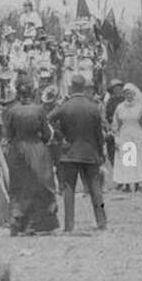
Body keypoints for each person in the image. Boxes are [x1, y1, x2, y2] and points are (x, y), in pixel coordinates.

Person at [47, 74, 108, 232]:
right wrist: (100, 153)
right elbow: (98, 134)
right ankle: (101, 222)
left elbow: (48, 120)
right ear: (83, 87)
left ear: (71, 87)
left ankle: (69, 225)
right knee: (96, 189)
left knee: (68, 190)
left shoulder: (65, 106)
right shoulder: (92, 106)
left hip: (69, 153)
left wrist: (60, 135)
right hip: (90, 152)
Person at [2, 79, 60, 235]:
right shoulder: (39, 110)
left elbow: (8, 134)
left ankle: (17, 222)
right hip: (36, 149)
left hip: (18, 149)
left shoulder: (12, 111)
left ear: (18, 94)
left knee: (19, 186)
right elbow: (47, 134)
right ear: (32, 93)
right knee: (42, 185)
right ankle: (38, 223)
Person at [111, 84, 142, 192]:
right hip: (125, 134)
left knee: (137, 158)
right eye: (126, 94)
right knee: (127, 159)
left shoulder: (140, 107)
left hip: (136, 133)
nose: (129, 96)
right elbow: (116, 123)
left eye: (130, 93)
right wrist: (117, 138)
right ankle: (127, 183)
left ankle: (138, 183)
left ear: (134, 94)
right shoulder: (120, 107)